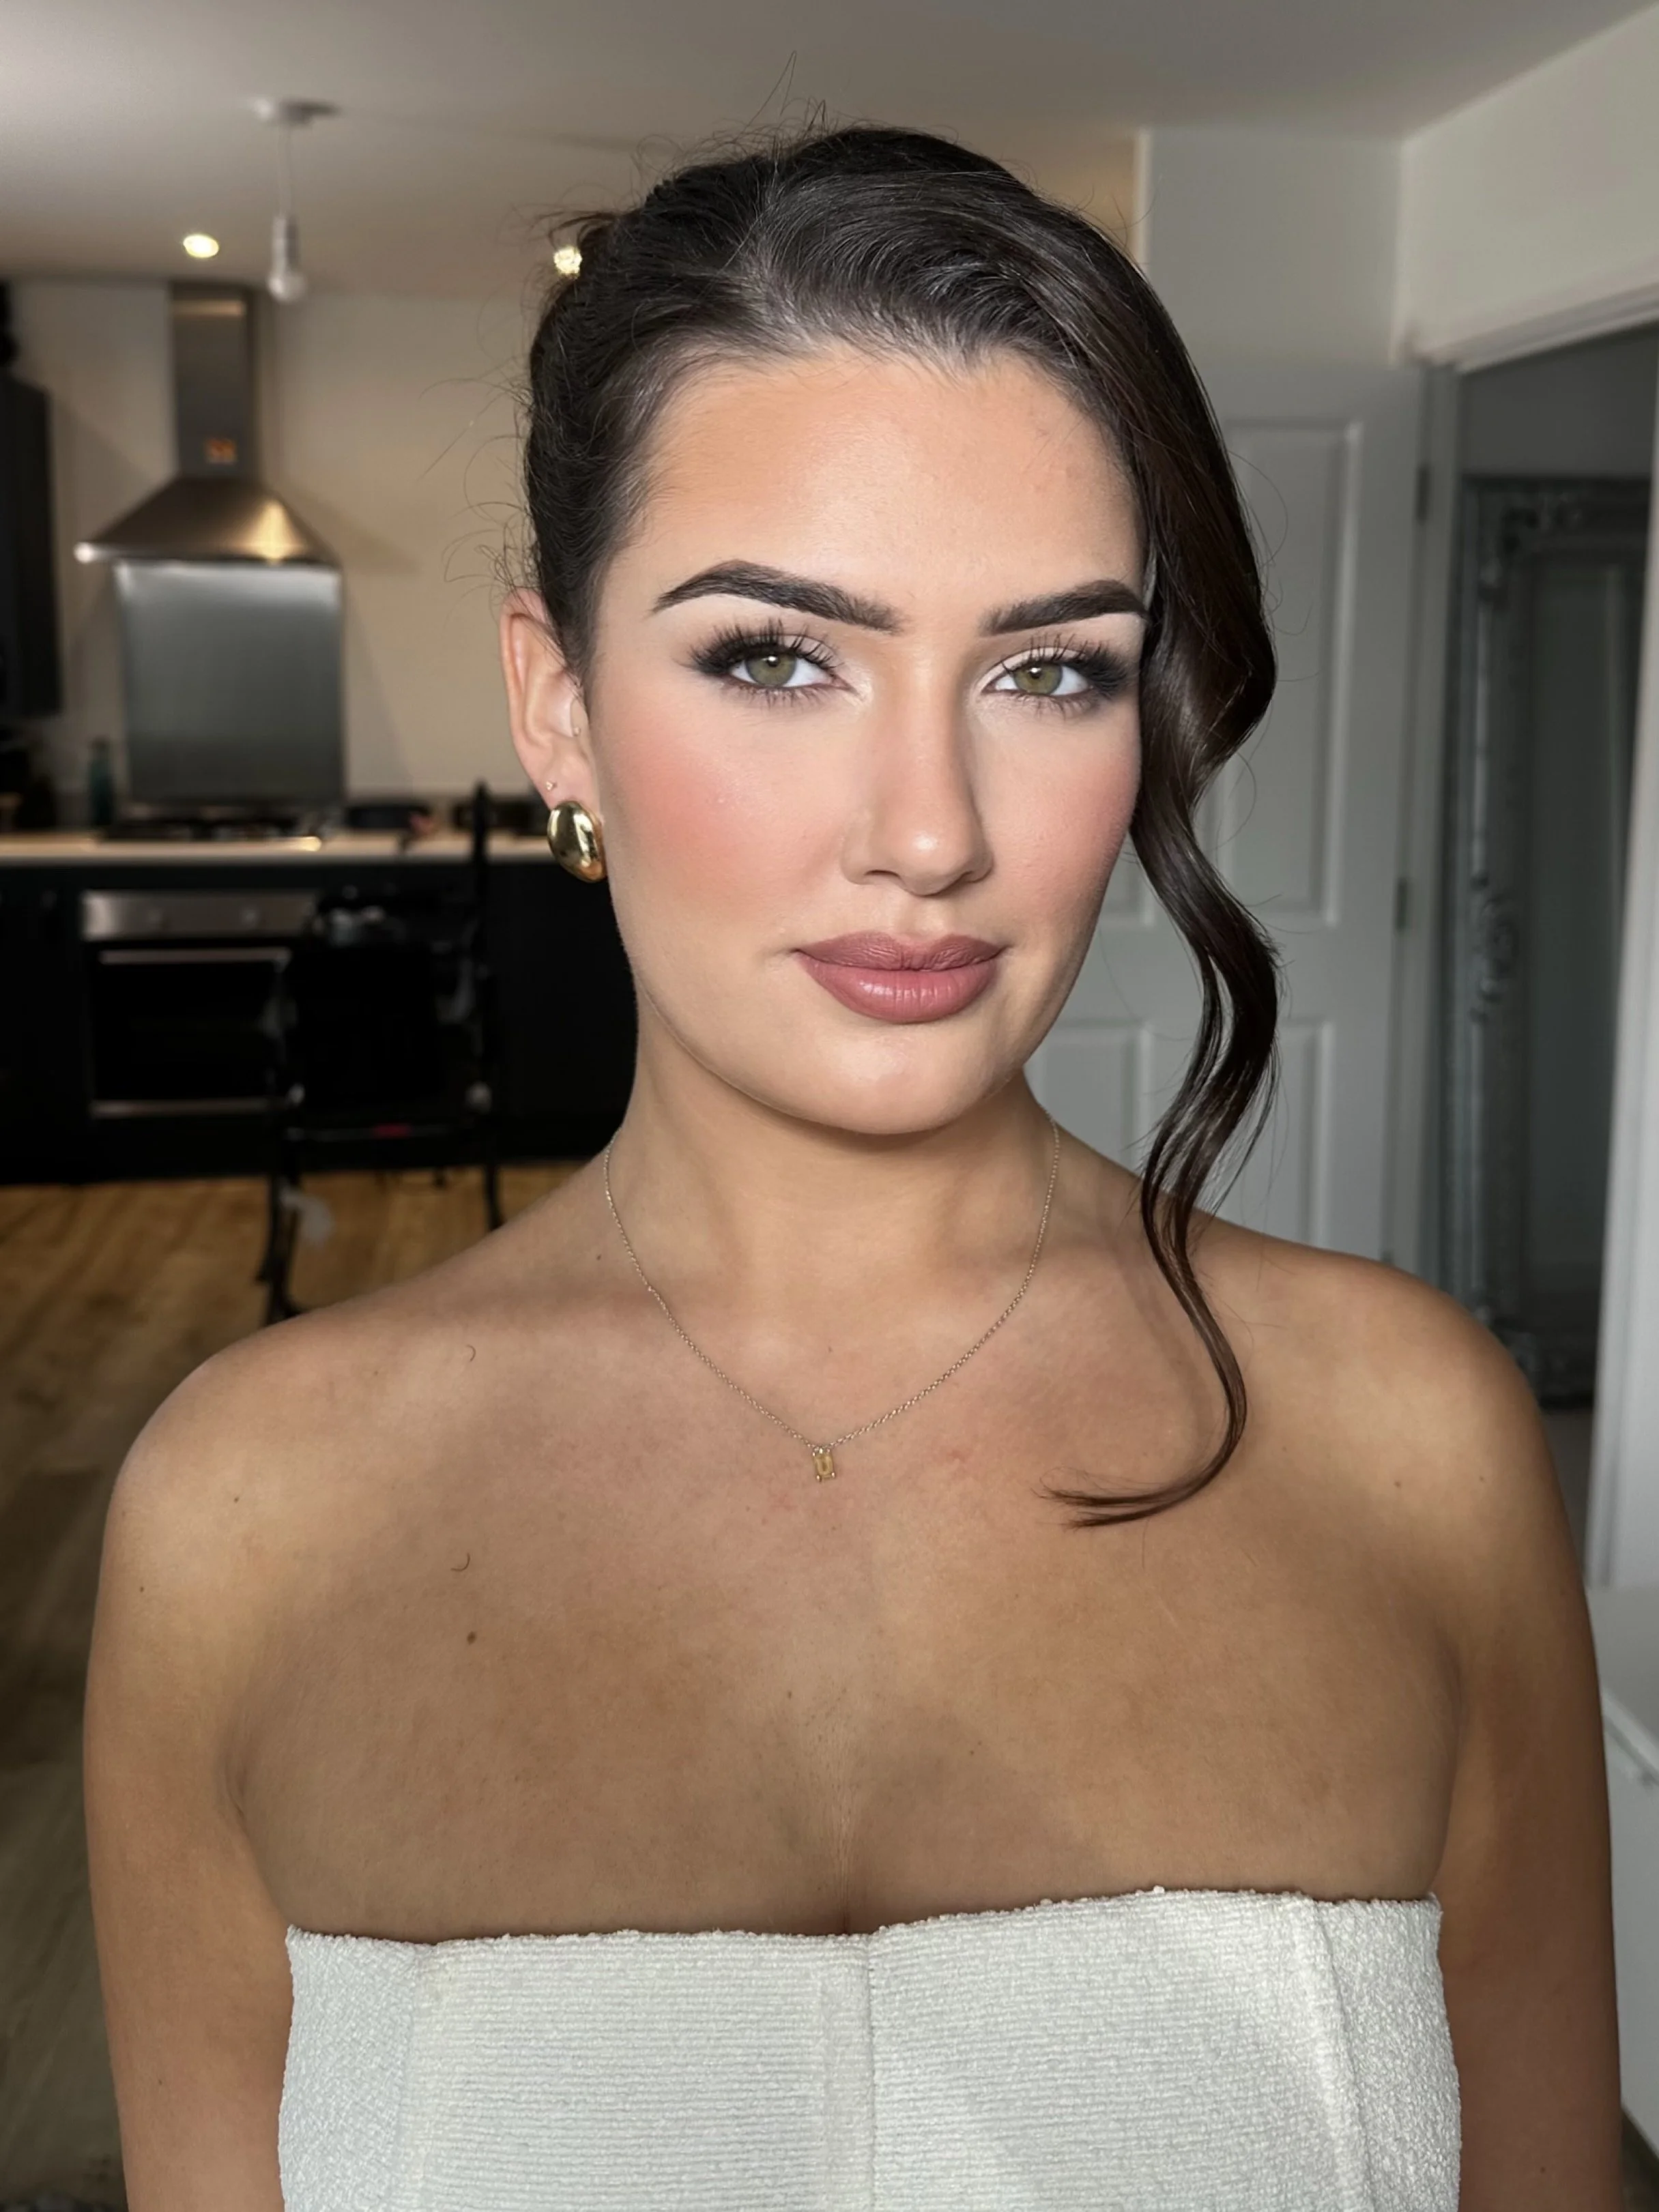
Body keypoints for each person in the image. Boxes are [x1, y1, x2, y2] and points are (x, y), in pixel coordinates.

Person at [85, 124, 1621, 2209]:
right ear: (556, 705)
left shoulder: (1413, 1441)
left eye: (1049, 670)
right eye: (777, 656)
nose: (929, 829)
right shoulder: (246, 1512)